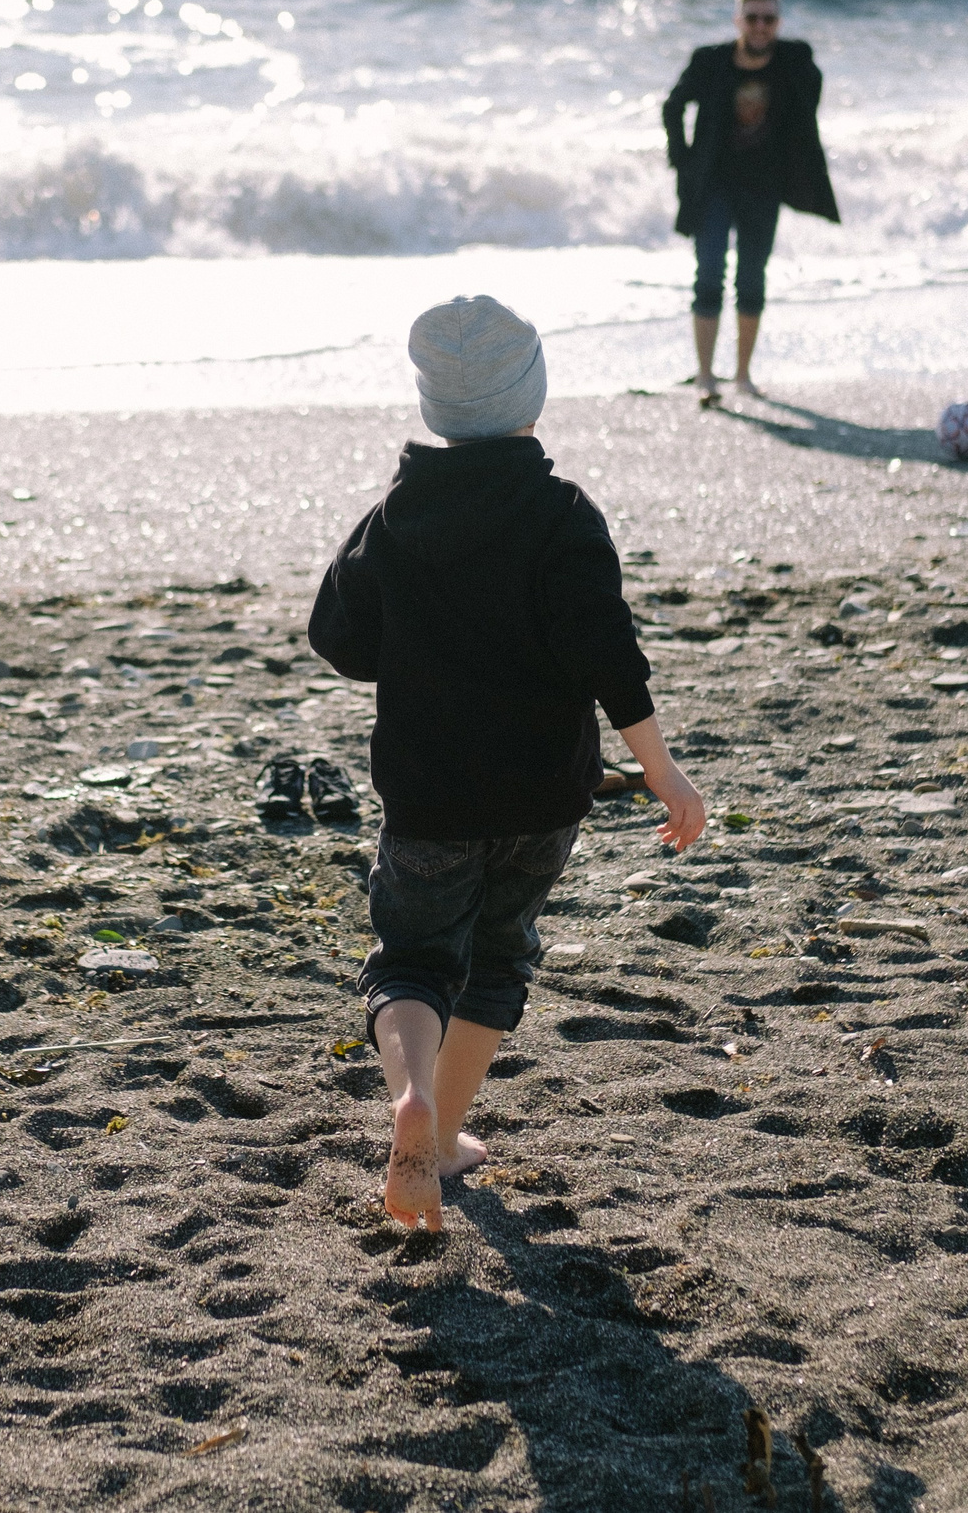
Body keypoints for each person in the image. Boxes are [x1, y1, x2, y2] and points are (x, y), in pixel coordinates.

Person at [309, 294, 708, 1233]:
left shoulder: (396, 518)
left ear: (431, 408)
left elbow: (336, 634)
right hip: (540, 799)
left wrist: (410, 650)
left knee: (412, 958)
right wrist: (662, 770)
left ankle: (412, 1098)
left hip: (428, 797)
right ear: (533, 394)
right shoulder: (562, 514)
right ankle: (442, 1135)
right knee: (498, 959)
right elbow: (610, 653)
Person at [661, 0, 839, 406]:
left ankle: (742, 376)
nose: (761, 26)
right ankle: (705, 376)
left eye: (770, 18)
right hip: (714, 186)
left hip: (764, 187)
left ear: (778, 23)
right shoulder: (710, 61)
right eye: (753, 17)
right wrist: (682, 159)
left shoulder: (794, 61)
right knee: (708, 276)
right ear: (737, 19)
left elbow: (811, 97)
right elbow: (673, 105)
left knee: (752, 279)